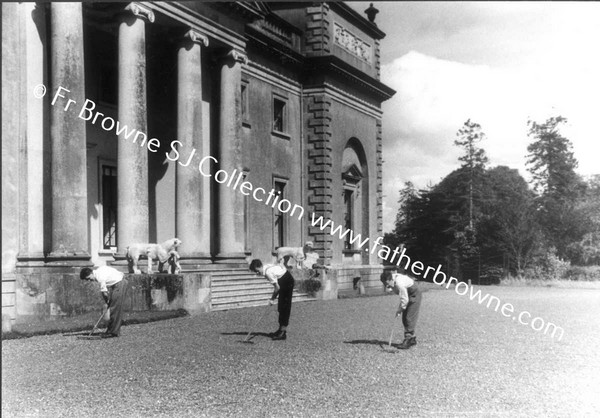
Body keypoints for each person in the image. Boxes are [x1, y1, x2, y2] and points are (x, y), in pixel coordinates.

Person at [249, 259, 295, 341]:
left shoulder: (268, 272)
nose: (257, 273)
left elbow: (277, 288)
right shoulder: (266, 267)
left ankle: (283, 333)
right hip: (284, 280)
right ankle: (280, 330)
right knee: (280, 307)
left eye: (256, 271)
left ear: (258, 266)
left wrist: (272, 299)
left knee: (284, 307)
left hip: (287, 282)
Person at [80, 266, 128, 338]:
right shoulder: (98, 271)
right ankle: (111, 330)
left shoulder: (99, 277)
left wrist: (107, 301)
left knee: (115, 308)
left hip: (119, 284)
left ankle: (114, 332)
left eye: (89, 278)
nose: (90, 280)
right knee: (114, 307)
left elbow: (104, 293)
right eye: (87, 280)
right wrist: (108, 300)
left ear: (91, 273)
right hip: (118, 283)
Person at [380, 269, 422, 349]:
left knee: (409, 317)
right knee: (404, 318)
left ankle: (408, 338)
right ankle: (412, 339)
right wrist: (401, 309)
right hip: (408, 295)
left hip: (414, 294)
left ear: (390, 279)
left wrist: (399, 310)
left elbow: (404, 299)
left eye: (386, 283)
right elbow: (402, 296)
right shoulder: (394, 281)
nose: (386, 286)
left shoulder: (399, 283)